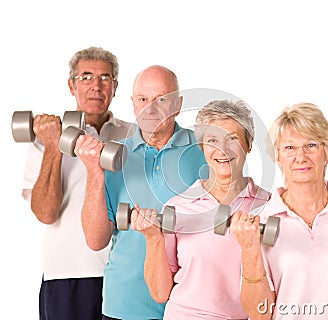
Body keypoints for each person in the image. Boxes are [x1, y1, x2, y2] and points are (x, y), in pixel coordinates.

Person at [75, 65, 207, 320]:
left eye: (161, 100)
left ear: (178, 105)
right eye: (143, 99)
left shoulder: (205, 152)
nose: (151, 109)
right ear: (133, 104)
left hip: (191, 306)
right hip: (125, 307)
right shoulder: (112, 157)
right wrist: (94, 172)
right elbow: (95, 240)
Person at [237, 102, 328, 320]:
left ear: (326, 151)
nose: (301, 157)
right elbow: (259, 314)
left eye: (311, 145)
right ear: (278, 156)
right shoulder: (261, 221)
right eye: (289, 148)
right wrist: (249, 249)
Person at [131, 99, 272, 319]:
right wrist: (153, 238)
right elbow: (159, 293)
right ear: (202, 147)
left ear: (249, 143)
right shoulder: (178, 207)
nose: (222, 149)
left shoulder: (269, 206)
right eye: (212, 140)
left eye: (232, 139)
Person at [21, 47, 134, 320]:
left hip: (125, 274)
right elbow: (45, 213)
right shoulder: (45, 137)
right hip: (68, 274)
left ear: (115, 87)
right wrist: (52, 145)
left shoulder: (134, 136)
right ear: (71, 85)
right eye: (86, 77)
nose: (96, 86)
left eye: (105, 78)